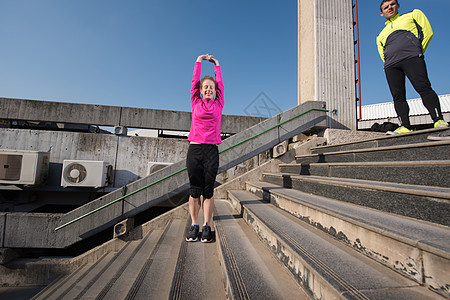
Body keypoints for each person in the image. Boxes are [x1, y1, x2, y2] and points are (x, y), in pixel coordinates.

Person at [376, 0, 449, 134]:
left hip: (412, 58)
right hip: (391, 66)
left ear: (398, 5)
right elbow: (382, 54)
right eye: (386, 7)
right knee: (398, 96)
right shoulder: (380, 35)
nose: (390, 8)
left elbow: (428, 32)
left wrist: (419, 51)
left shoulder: (413, 15)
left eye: (392, 4)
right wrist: (387, 64)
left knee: (423, 87)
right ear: (382, 13)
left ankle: (438, 120)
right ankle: (405, 126)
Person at [185, 54, 223, 243]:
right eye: (205, 87)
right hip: (195, 150)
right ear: (200, 90)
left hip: (211, 151)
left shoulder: (218, 104)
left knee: (208, 191)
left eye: (212, 87)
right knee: (194, 190)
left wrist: (216, 65)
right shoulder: (195, 102)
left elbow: (221, 84)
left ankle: (207, 225)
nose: (209, 89)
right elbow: (193, 82)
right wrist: (198, 61)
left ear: (216, 91)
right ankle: (194, 225)